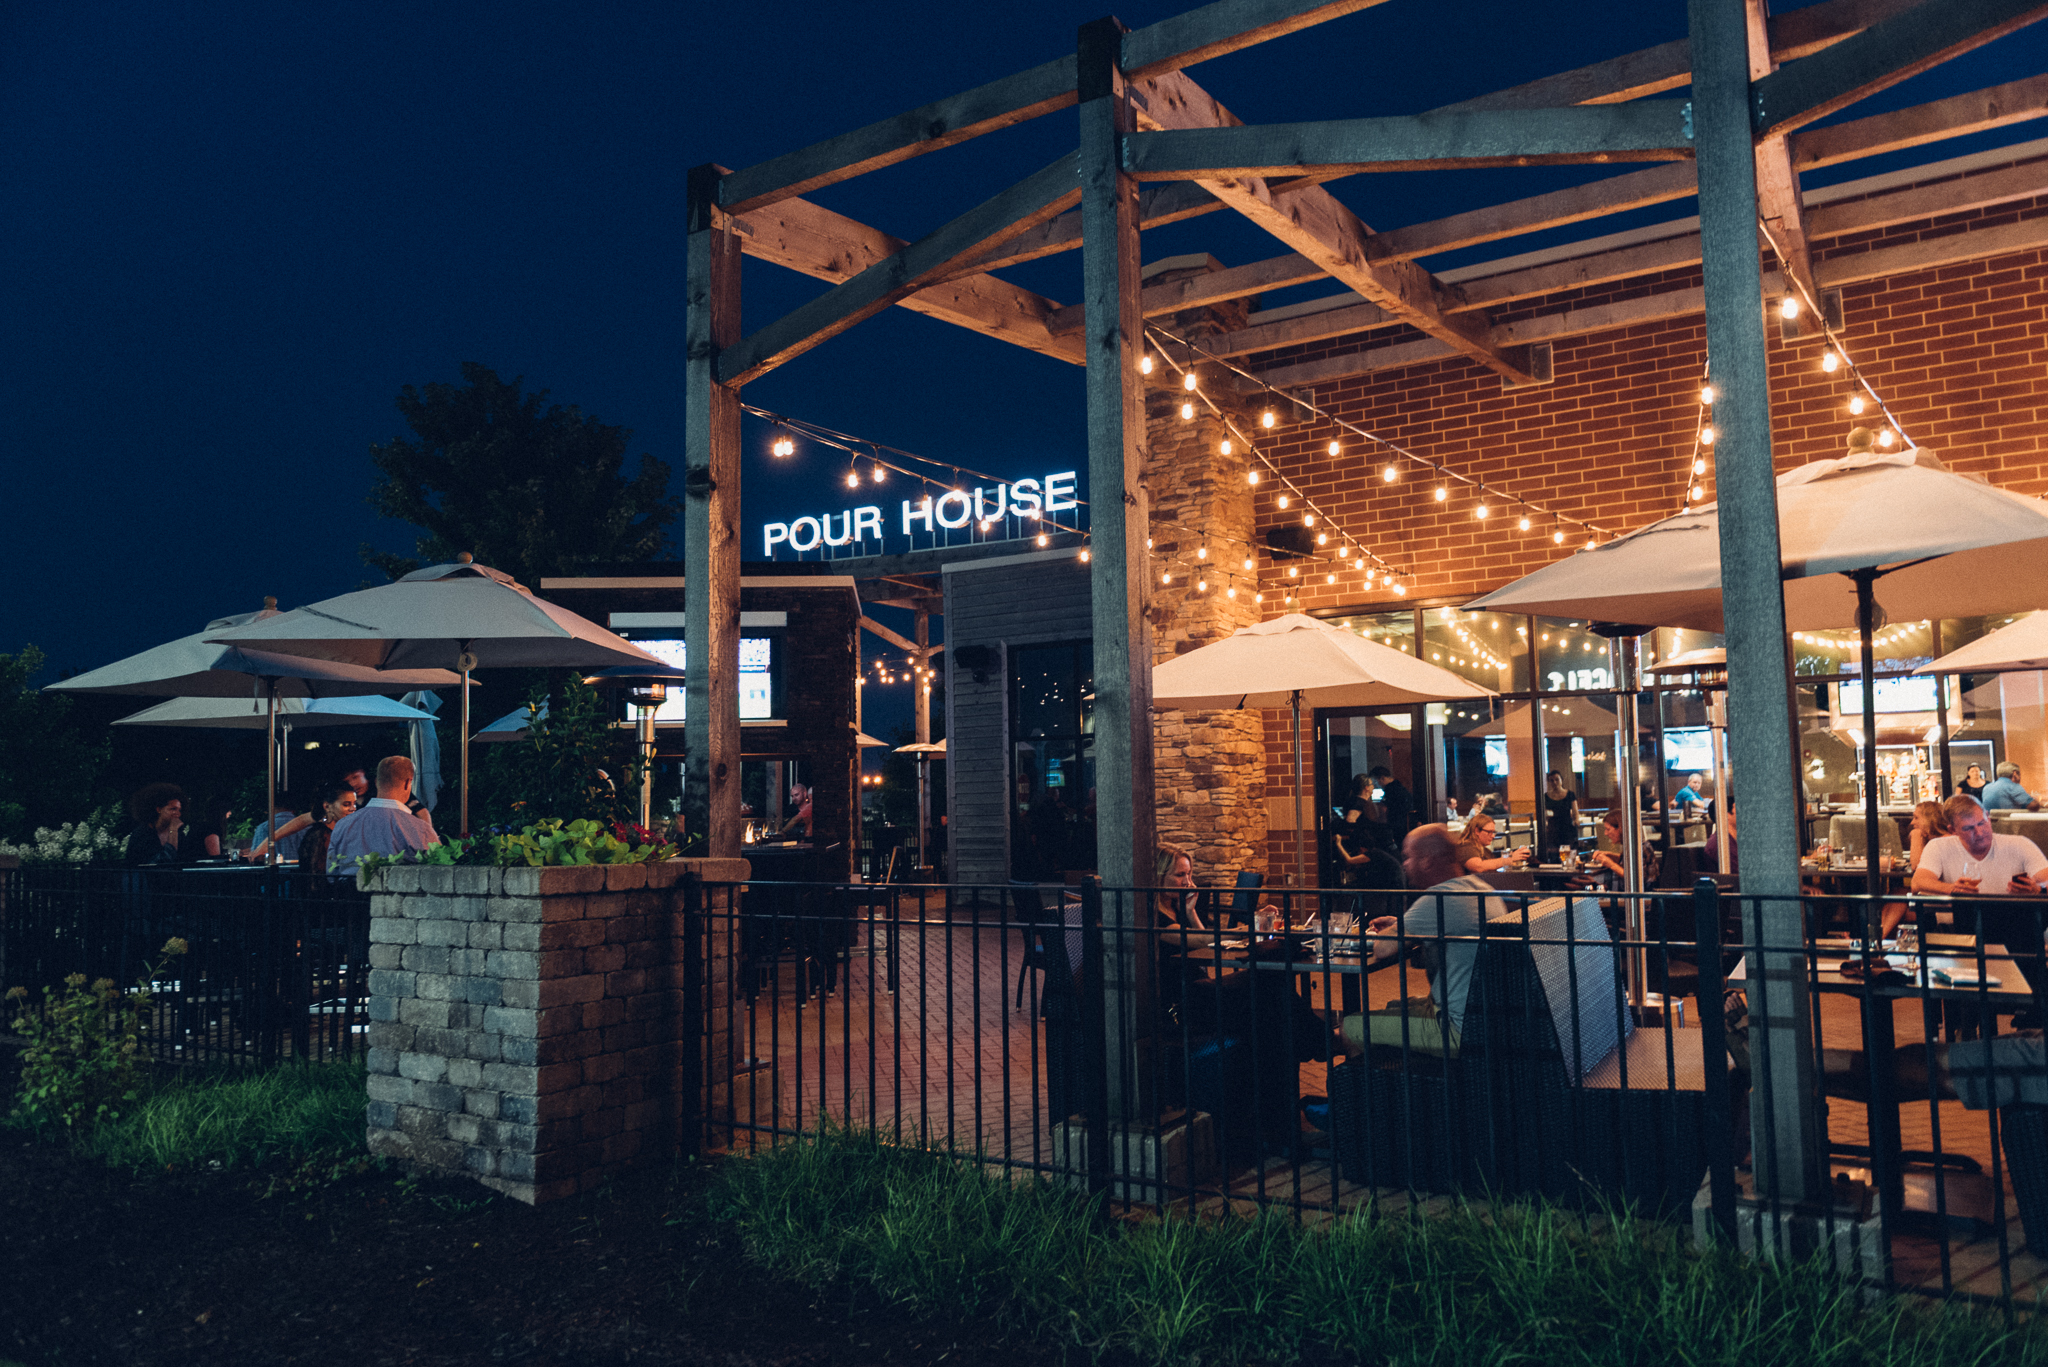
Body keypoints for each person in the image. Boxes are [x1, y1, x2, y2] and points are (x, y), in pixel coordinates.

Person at [1340, 824, 1503, 1059]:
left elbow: (1382, 948)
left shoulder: (1437, 899)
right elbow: (1445, 921)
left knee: (1350, 1028)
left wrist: (1396, 929)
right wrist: (1404, 923)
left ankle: (1378, 1081)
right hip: (1487, 1019)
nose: (1404, 864)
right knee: (1393, 1006)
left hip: (1457, 1029)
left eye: (1408, 857)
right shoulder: (1481, 888)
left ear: (1426, 861)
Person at [1911, 794, 2048, 1005]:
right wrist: (1951, 888)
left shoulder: (2018, 844)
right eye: (1968, 828)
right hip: (1968, 935)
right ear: (1952, 830)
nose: (1979, 832)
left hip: (2016, 932)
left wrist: (2036, 887)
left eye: (1982, 823)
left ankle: (2024, 1005)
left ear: (1988, 817)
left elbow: (2044, 875)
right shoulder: (1939, 847)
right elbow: (1918, 881)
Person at [326, 755, 441, 877]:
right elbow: (439, 870)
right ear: (408, 783)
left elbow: (331, 872)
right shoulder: (419, 828)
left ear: (376, 782)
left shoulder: (342, 825)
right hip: (398, 888)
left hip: (348, 888)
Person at [296, 780, 360, 878]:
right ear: (327, 806)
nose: (353, 808)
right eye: (346, 804)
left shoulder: (346, 831)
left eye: (354, 803)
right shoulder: (320, 835)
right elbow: (317, 875)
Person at [123, 783, 194, 867]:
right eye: (173, 809)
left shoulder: (180, 835)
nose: (177, 813)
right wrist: (173, 830)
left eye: (179, 810)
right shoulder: (141, 834)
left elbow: (186, 861)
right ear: (159, 809)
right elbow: (159, 864)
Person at [1450, 812, 1530, 875]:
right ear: (1477, 831)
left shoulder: (1484, 850)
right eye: (1489, 832)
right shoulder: (1466, 846)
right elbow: (1478, 867)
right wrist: (1510, 859)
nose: (1493, 836)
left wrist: (1515, 859)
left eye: (1493, 832)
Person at [248, 788, 304, 863]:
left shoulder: (264, 828)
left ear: (271, 807)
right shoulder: (306, 826)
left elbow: (257, 857)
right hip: (302, 869)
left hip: (274, 870)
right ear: (294, 808)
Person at [1541, 771, 1579, 855]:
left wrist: (1576, 821)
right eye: (1551, 780)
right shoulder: (1546, 796)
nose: (1554, 782)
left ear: (1561, 780)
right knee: (1554, 853)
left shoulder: (1570, 794)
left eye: (1557, 779)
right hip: (1553, 828)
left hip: (1567, 827)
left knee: (1568, 852)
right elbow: (1543, 813)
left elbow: (1575, 811)